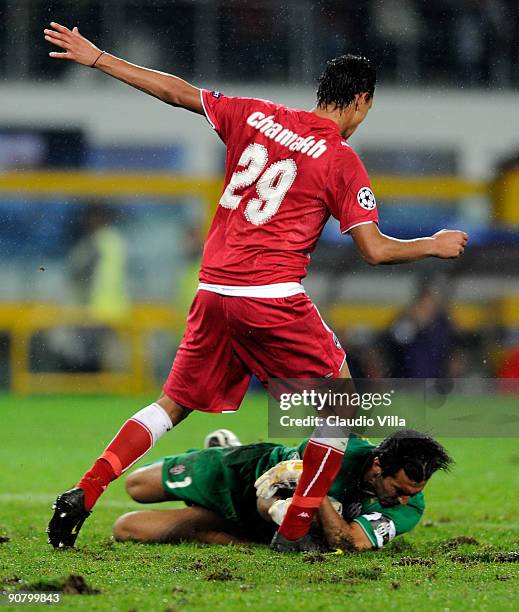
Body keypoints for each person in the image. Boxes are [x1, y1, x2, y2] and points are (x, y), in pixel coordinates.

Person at [44, 22, 468, 552]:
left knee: (171, 405)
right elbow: (374, 249)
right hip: (270, 295)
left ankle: (84, 492)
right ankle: (293, 532)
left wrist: (100, 58)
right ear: (361, 100)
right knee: (340, 406)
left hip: (214, 292)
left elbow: (178, 92)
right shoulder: (340, 159)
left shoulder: (256, 114)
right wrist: (433, 242)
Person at [112, 429, 452, 552]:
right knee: (137, 486)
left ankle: (213, 527)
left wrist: (313, 491)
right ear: (378, 465)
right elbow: (266, 498)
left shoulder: (410, 508)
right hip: (247, 474)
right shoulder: (335, 452)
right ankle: (231, 447)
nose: (406, 499)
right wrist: (312, 491)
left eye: (415, 490)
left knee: (125, 528)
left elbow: (347, 542)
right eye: (399, 488)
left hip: (265, 521)